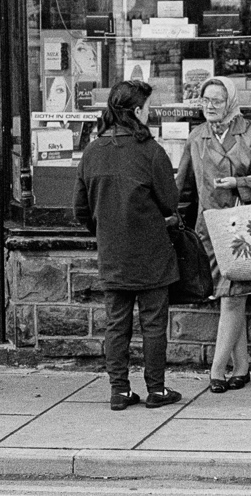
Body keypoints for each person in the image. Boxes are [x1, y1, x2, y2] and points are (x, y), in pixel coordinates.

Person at [73, 80, 182, 411]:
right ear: (137, 111)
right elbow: (170, 202)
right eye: (148, 107)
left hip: (113, 252)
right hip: (150, 252)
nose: (149, 113)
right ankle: (156, 390)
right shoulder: (151, 152)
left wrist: (105, 225)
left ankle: (119, 391)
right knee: (153, 324)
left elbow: (80, 209)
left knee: (116, 325)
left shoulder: (92, 152)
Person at [176, 75, 251, 395]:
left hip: (244, 230)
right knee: (229, 297)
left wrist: (240, 184)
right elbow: (182, 185)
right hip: (209, 229)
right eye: (205, 100)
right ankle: (242, 366)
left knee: (233, 297)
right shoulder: (197, 137)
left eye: (217, 101)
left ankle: (216, 370)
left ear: (231, 102)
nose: (209, 107)